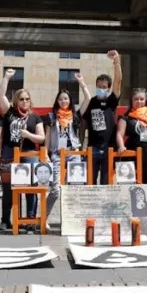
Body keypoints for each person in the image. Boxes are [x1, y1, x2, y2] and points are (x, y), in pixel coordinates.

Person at [0, 69, 45, 232]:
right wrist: (6, 78)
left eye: (27, 99)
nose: (24, 102)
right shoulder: (10, 113)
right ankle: (5, 220)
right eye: (21, 99)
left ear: (30, 102)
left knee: (31, 188)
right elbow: (1, 96)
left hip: (29, 154)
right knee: (8, 189)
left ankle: (30, 219)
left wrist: (28, 134)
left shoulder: (35, 117)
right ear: (16, 101)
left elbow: (41, 138)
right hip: (9, 154)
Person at [44, 78, 90, 225]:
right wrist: (45, 153)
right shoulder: (52, 117)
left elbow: (88, 98)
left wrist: (82, 83)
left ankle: (72, 221)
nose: (63, 101)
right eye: (60, 99)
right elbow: (47, 136)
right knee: (55, 190)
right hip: (57, 154)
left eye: (66, 99)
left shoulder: (75, 116)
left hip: (73, 154)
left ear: (70, 101)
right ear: (57, 101)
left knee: (75, 189)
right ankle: (43, 218)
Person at [115, 66, 147, 194]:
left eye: (141, 99)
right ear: (131, 101)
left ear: (146, 100)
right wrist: (121, 146)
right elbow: (119, 133)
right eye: (136, 99)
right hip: (135, 153)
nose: (139, 101)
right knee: (135, 186)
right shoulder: (126, 117)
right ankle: (136, 213)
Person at [80, 51, 122, 185]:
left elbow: (118, 81)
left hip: (109, 148)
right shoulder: (91, 102)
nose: (101, 89)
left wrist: (116, 62)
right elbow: (83, 125)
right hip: (92, 148)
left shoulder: (112, 101)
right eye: (99, 87)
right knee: (90, 182)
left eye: (104, 87)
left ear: (108, 88)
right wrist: (82, 146)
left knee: (106, 183)